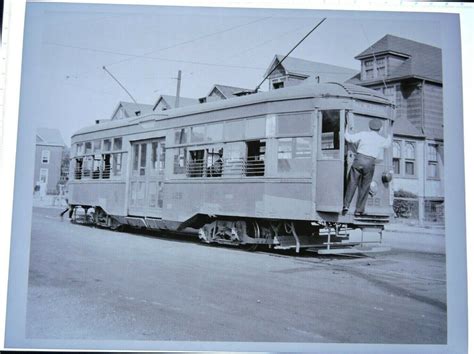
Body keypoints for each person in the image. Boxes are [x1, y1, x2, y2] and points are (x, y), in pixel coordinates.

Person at [343, 118, 391, 216]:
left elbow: (348, 138)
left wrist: (346, 127)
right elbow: (388, 144)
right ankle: (359, 210)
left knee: (352, 183)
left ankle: (346, 205)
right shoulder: (381, 139)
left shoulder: (363, 134)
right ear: (380, 129)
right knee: (365, 187)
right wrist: (389, 134)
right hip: (370, 163)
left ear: (370, 127)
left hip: (358, 159)